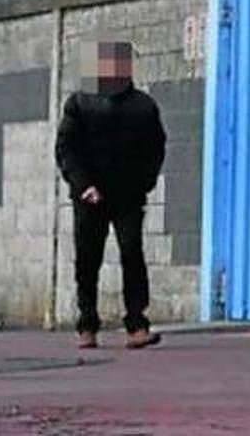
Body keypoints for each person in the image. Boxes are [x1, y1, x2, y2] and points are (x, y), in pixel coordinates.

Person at [55, 40, 166, 350]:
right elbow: (67, 149)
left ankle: (137, 325)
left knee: (132, 253)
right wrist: (83, 186)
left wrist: (143, 184)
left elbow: (155, 149)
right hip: (89, 195)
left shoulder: (143, 106)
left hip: (128, 195)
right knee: (88, 260)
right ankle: (87, 324)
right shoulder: (79, 103)